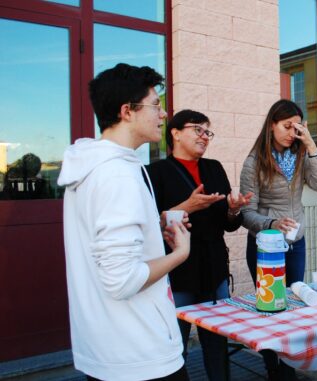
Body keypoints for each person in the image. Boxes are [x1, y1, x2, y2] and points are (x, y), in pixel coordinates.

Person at [57, 63, 191, 381]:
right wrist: (178, 254)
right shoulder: (116, 174)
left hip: (109, 350)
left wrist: (149, 231)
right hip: (140, 355)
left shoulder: (96, 167)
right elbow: (122, 281)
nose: (163, 115)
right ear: (127, 111)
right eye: (156, 105)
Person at [147, 110, 252, 380]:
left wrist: (233, 210)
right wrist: (187, 206)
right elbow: (148, 225)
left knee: (216, 341)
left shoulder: (213, 167)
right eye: (198, 130)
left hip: (214, 266)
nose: (205, 137)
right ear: (175, 133)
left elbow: (228, 225)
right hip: (176, 270)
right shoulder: (155, 172)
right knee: (174, 343)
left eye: (208, 132)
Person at [240, 99, 317, 379]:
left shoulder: (302, 155)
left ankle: (290, 366)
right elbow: (245, 213)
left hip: (296, 241)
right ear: (271, 126)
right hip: (267, 246)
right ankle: (273, 369)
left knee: (293, 303)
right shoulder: (254, 161)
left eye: (297, 126)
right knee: (270, 307)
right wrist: (271, 224)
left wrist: (312, 146)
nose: (292, 132)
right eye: (286, 126)